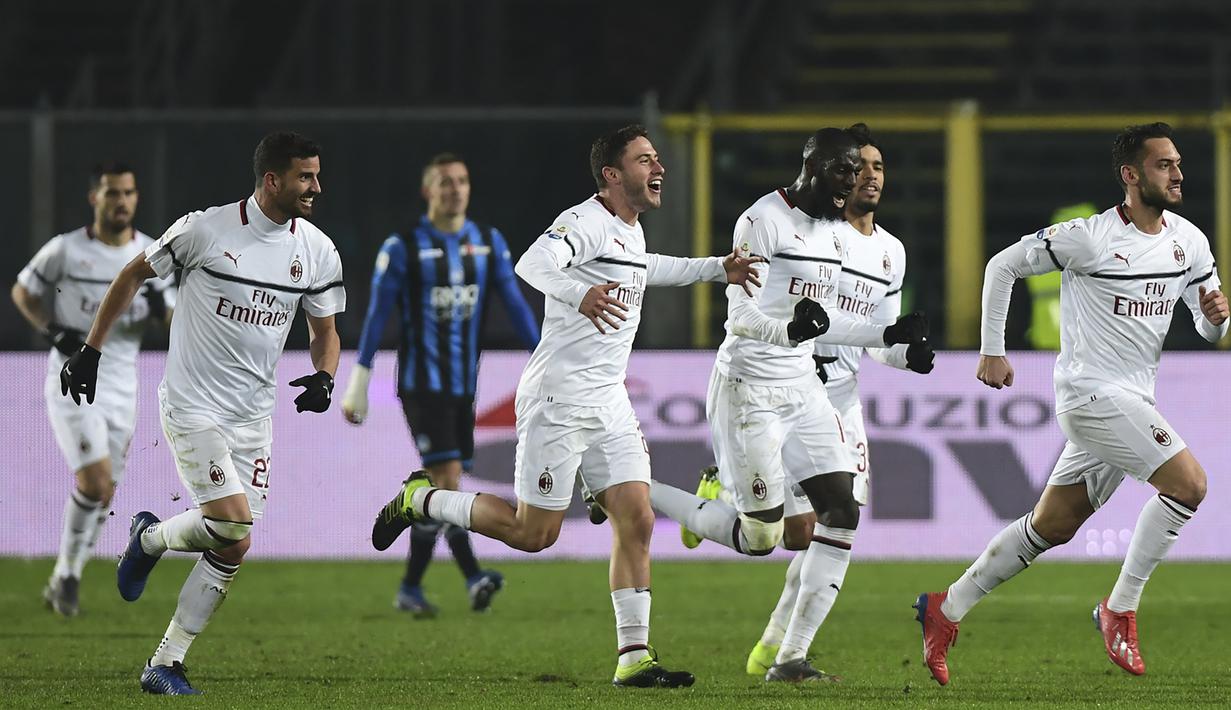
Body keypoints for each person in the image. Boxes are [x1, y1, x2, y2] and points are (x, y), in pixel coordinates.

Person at [369, 124, 761, 688]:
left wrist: (716, 267)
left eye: (657, 158)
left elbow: (651, 269)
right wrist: (579, 293)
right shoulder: (583, 221)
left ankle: (634, 658)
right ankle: (422, 499)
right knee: (534, 534)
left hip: (608, 401)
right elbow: (531, 263)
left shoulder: (629, 232)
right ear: (612, 174)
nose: (659, 168)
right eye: (645, 160)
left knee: (637, 516)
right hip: (558, 400)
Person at [915, 122, 1228, 685]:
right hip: (1090, 394)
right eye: (1164, 165)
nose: (1178, 174)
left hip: (1132, 398)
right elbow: (1002, 266)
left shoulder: (1190, 241)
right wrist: (992, 351)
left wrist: (1214, 319)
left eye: (1178, 163)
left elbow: (1208, 330)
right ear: (1131, 175)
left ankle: (946, 607)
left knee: (1052, 525)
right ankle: (1119, 609)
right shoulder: (1089, 237)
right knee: (1189, 486)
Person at [59, 132, 345, 695]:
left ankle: (165, 661)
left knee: (233, 543)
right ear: (273, 180)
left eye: (317, 174)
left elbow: (325, 333)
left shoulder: (317, 250)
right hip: (193, 404)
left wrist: (326, 376)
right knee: (232, 522)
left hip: (253, 417)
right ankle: (149, 541)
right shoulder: (204, 230)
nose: (317, 186)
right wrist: (90, 350)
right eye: (305, 176)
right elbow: (133, 274)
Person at [644, 127, 929, 682]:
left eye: (862, 172)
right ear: (814, 167)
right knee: (762, 539)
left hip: (805, 390)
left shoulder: (837, 234)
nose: (854, 183)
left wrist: (889, 335)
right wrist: (790, 331)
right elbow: (740, 316)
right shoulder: (762, 220)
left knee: (840, 512)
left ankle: (789, 658)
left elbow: (829, 321)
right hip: (749, 386)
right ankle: (634, 487)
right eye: (845, 172)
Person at [735, 123, 935, 676]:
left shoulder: (891, 252)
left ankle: (780, 649)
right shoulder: (817, 234)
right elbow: (770, 307)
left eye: (877, 167)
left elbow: (877, 339)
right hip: (790, 387)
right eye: (857, 166)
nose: (868, 176)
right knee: (797, 532)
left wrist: (907, 354)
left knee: (835, 522)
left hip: (841, 401)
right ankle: (725, 486)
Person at [340, 153, 540, 617]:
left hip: (463, 385)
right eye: (445, 182)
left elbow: (514, 302)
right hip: (420, 384)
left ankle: (413, 586)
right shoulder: (403, 247)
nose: (455, 189)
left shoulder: (487, 243)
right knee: (446, 481)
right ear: (427, 191)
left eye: (462, 181)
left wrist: (543, 355)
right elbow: (377, 315)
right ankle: (472, 576)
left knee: (442, 488)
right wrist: (359, 380)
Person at [12, 162, 173, 617]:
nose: (121, 201)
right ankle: (67, 576)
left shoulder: (151, 254)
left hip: (123, 384)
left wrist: (161, 309)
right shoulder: (65, 250)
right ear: (94, 198)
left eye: (128, 192)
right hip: (72, 379)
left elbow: (175, 320)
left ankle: (66, 576)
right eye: (112, 192)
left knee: (105, 493)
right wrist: (53, 331)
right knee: (95, 481)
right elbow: (23, 292)